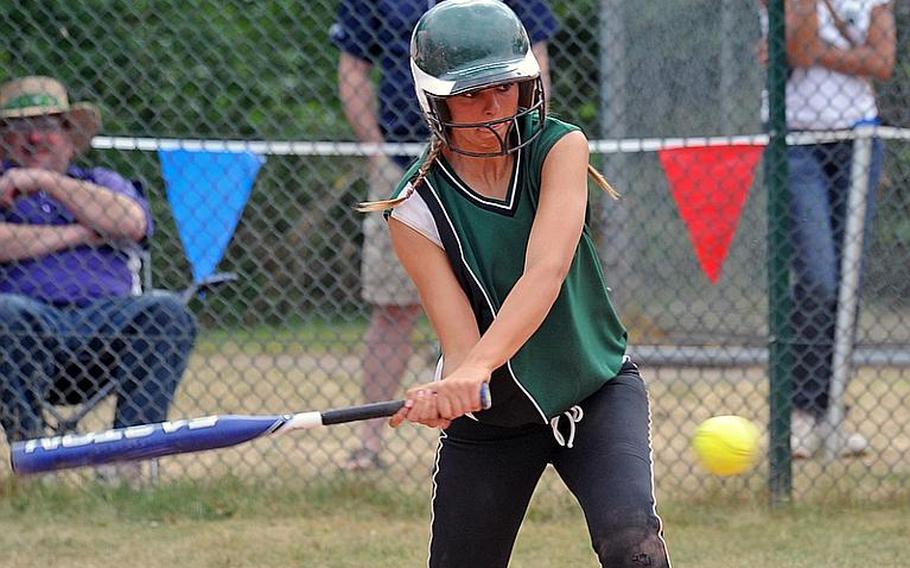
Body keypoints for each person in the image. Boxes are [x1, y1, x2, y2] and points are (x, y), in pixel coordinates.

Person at [358, 2, 672, 566]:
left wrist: (478, 366)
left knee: (632, 543)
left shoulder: (560, 147)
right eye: (472, 95)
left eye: (506, 89)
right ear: (435, 101)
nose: (494, 111)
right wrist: (450, 392)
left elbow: (545, 274)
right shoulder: (413, 208)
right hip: (495, 419)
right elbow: (459, 343)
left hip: (594, 391)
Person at [331, 0, 558, 470]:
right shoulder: (405, 197)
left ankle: (543, 433)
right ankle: (370, 445)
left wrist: (522, 146)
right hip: (402, 159)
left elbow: (533, 61)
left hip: (497, 161)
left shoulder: (560, 150)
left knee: (513, 295)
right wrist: (376, 154)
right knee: (393, 307)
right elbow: (354, 67)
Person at [0, 76, 198, 483]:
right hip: (25, 331)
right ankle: (35, 463)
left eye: (48, 126)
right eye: (19, 128)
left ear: (71, 138)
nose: (35, 137)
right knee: (5, 312)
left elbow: (131, 222)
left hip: (106, 327)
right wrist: (77, 233)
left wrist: (44, 181)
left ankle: (126, 462)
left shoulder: (102, 182)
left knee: (167, 312)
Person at [759, 0, 895, 458]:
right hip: (795, 139)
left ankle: (830, 410)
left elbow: (883, 62)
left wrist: (821, 53)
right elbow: (799, 49)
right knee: (818, 278)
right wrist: (830, 49)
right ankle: (798, 412)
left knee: (847, 285)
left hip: (858, 137)